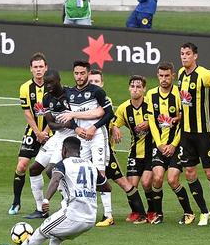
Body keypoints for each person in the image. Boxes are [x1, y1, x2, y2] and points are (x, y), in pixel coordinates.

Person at [0, 136, 104, 245]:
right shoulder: (91, 166)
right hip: (89, 219)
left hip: (72, 215)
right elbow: (106, 187)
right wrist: (86, 188)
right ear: (79, 150)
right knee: (56, 239)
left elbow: (55, 180)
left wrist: (46, 200)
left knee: (42, 232)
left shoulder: (63, 164)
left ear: (64, 150)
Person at [25, 70, 103, 219]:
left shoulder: (70, 95)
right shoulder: (47, 98)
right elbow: (51, 124)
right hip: (57, 136)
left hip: (71, 137)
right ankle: (41, 209)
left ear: (59, 81)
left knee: (51, 171)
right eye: (46, 83)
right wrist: (64, 124)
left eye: (51, 83)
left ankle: (66, 202)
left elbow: (77, 116)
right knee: (34, 169)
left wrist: (70, 124)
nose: (48, 86)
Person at [54, 61, 114, 225]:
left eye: (82, 73)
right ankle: (72, 209)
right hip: (81, 138)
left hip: (97, 137)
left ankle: (108, 215)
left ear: (88, 73)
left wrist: (94, 127)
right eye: (76, 73)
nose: (79, 76)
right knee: (75, 171)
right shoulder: (69, 93)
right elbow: (66, 116)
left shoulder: (97, 91)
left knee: (100, 172)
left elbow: (109, 114)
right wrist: (76, 129)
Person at [88, 70, 148, 225]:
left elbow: (109, 117)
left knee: (124, 182)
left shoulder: (105, 100)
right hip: (87, 149)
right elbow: (114, 119)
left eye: (96, 81)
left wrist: (113, 127)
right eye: (91, 81)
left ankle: (139, 213)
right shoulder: (83, 100)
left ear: (101, 83)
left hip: (104, 149)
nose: (94, 84)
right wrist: (114, 126)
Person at [147, 62, 198, 225]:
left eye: (167, 76)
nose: (164, 79)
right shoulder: (151, 95)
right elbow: (152, 122)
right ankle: (158, 214)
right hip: (160, 144)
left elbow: (184, 122)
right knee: (157, 177)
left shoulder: (179, 94)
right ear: (157, 76)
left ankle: (189, 212)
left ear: (173, 76)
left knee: (172, 180)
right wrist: (159, 144)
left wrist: (174, 144)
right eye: (161, 76)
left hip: (177, 145)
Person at [177, 42, 210, 226]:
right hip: (187, 133)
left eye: (188, 54)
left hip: (205, 132)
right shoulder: (180, 74)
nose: (184, 57)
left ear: (195, 56)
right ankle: (204, 211)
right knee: (189, 172)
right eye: (182, 54)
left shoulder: (205, 74)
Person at [8, 52, 50, 215]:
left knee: (53, 169)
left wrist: (45, 132)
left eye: (41, 67)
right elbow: (27, 113)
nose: (38, 70)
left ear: (46, 68)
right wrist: (37, 132)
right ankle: (16, 202)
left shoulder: (52, 86)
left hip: (51, 133)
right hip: (33, 131)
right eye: (35, 67)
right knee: (22, 165)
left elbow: (55, 111)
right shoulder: (25, 87)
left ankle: (60, 203)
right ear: (30, 69)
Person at [111, 76, 157, 223]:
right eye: (132, 86)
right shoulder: (124, 108)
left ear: (144, 89)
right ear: (129, 88)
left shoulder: (150, 105)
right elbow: (113, 122)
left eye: (138, 87)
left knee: (146, 182)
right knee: (131, 185)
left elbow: (162, 119)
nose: (135, 89)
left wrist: (149, 122)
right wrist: (115, 129)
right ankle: (136, 212)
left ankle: (151, 211)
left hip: (151, 151)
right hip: (134, 151)